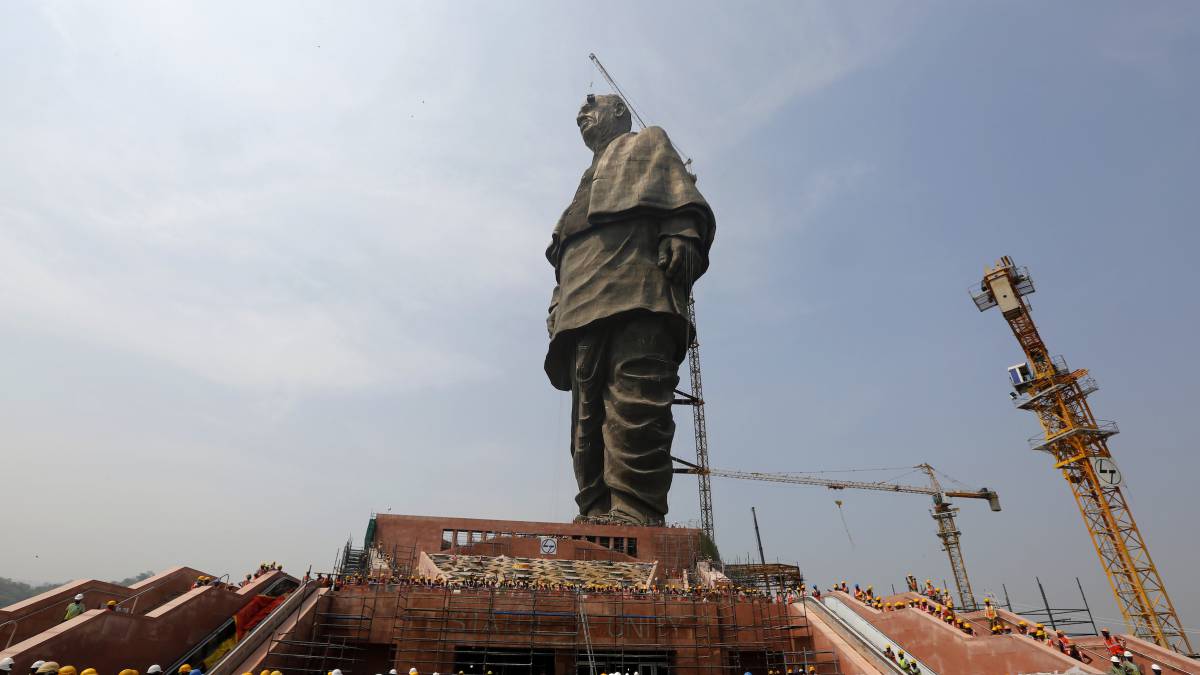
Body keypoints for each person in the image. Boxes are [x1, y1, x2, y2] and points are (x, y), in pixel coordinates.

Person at [544, 93, 715, 526]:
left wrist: (680, 229)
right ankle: (595, 509)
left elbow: (681, 201)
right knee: (586, 418)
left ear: (619, 112)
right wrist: (557, 302)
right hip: (582, 298)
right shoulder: (582, 182)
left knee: (635, 399)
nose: (582, 113)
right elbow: (563, 253)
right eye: (578, 112)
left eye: (590, 106)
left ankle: (634, 510)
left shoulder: (648, 143)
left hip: (637, 287)